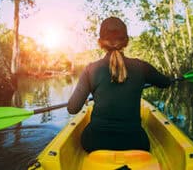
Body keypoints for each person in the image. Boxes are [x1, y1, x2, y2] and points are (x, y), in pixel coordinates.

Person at [67, 17, 171, 153]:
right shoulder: (142, 67)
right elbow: (165, 83)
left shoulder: (90, 69)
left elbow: (72, 108)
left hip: (94, 143)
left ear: (100, 42)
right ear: (126, 41)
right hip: (136, 143)